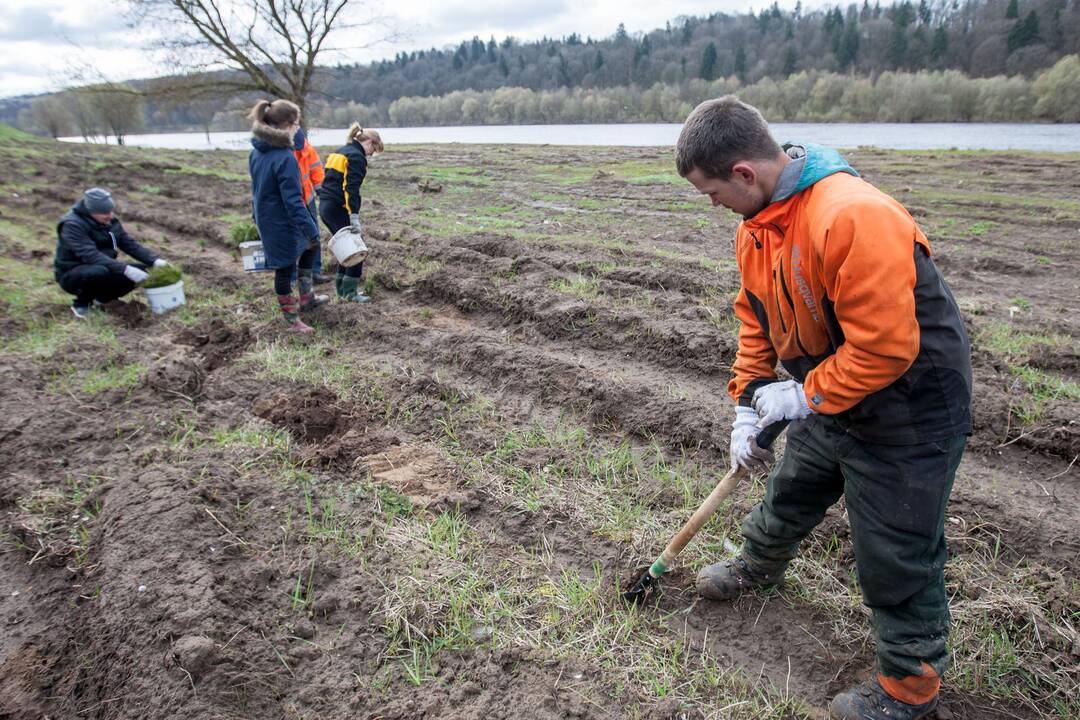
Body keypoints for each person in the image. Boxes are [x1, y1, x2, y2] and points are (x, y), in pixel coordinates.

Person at [675, 97, 971, 720]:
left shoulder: (851, 216)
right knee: (794, 485)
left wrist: (803, 395)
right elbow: (756, 319)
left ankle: (909, 691)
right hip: (834, 389)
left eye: (711, 192)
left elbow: (887, 348)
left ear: (743, 175)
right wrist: (748, 405)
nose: (712, 205)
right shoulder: (758, 229)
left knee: (895, 547)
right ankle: (759, 564)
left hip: (909, 401)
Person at [248, 98, 326, 333]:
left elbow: (255, 191)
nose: (298, 129)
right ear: (284, 125)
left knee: (309, 249)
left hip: (269, 217)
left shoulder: (258, 151)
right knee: (284, 267)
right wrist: (311, 227)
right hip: (280, 221)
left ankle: (307, 297)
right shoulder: (284, 157)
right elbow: (293, 202)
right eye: (295, 124)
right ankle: (292, 320)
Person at [54, 187, 171, 318]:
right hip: (73, 273)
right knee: (99, 272)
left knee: (146, 270)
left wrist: (155, 261)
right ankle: (81, 305)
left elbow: (129, 244)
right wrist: (126, 270)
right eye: (104, 213)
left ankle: (103, 300)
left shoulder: (110, 222)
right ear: (90, 211)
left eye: (110, 211)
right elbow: (91, 255)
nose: (109, 216)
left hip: (104, 266)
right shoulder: (72, 225)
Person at [318, 123, 383, 303]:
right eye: (374, 149)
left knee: (344, 248)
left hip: (326, 206)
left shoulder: (340, 151)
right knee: (356, 248)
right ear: (369, 142)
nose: (371, 154)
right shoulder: (356, 157)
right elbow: (350, 188)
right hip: (337, 207)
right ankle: (350, 293)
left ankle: (342, 291)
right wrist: (354, 215)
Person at [292, 126, 329, 285]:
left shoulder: (307, 148)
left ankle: (315, 271)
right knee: (292, 236)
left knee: (313, 234)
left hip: (307, 198)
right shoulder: (282, 150)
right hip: (291, 201)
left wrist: (321, 189)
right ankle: (293, 276)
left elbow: (316, 169)